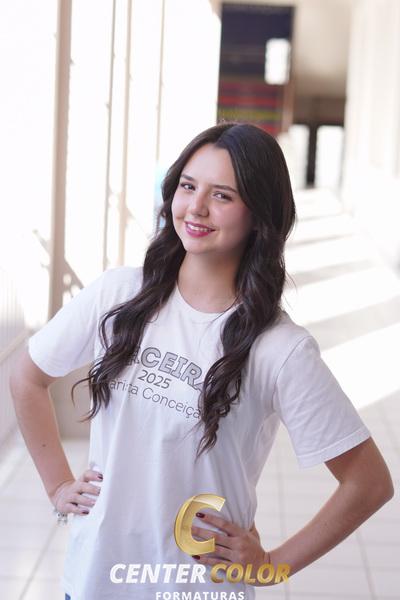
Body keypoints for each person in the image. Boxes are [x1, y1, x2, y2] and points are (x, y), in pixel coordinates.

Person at [10, 122, 393, 600]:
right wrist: (58, 487)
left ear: (259, 214)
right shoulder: (118, 294)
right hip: (92, 582)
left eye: (222, 196)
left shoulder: (280, 348)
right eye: (188, 186)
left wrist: (270, 566)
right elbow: (27, 377)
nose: (196, 207)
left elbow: (369, 483)